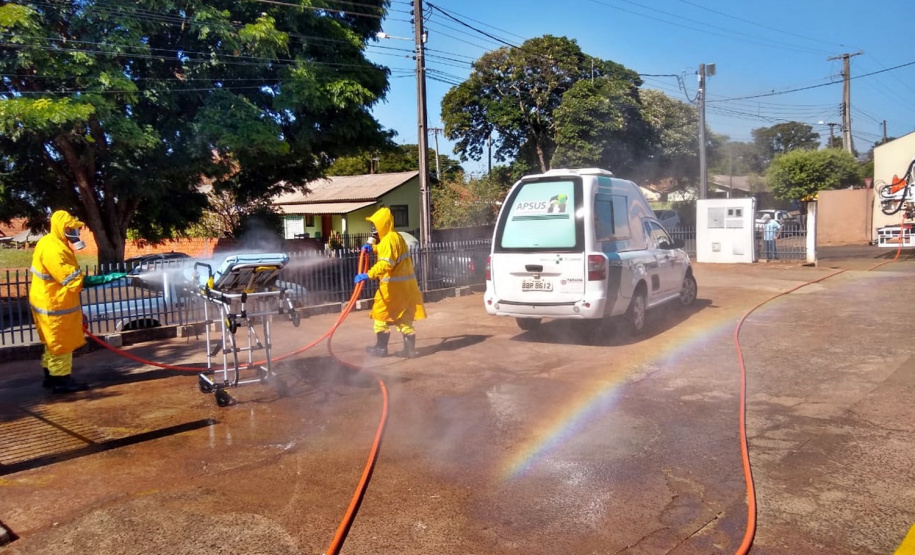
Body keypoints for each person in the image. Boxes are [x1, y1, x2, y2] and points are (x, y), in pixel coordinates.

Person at [29, 210, 127, 393]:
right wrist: (105, 278)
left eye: (76, 229)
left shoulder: (50, 242)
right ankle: (62, 382)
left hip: (48, 301)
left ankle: (50, 378)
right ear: (60, 228)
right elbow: (74, 280)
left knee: (52, 344)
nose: (75, 234)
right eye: (71, 229)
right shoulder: (55, 250)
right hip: (55, 305)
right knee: (61, 345)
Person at [354, 207, 426, 358]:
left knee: (380, 315)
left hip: (391, 288)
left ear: (382, 225)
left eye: (375, 226)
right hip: (406, 287)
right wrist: (372, 248)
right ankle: (409, 350)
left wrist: (367, 274)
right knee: (403, 317)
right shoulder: (396, 237)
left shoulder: (387, 240)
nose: (373, 230)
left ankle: (381, 349)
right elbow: (388, 251)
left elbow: (386, 263)